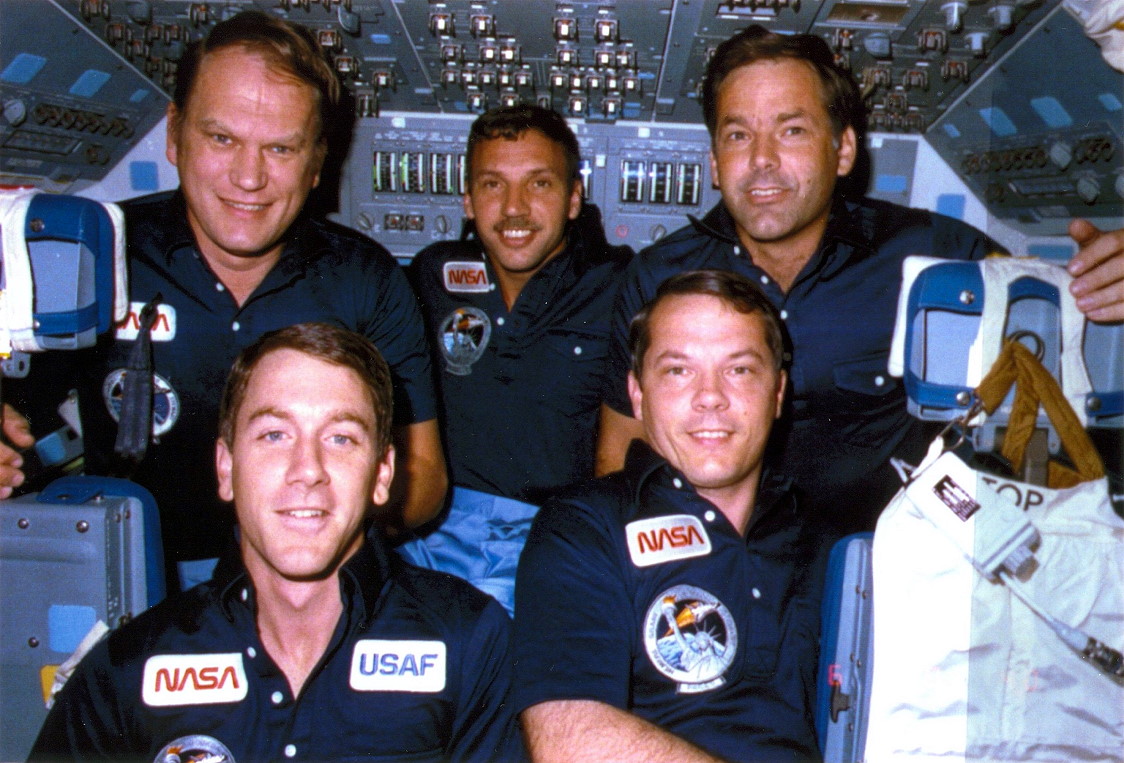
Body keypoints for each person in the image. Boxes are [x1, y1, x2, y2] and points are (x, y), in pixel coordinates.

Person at [596, 25, 1124, 534]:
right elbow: (621, 451)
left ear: (843, 150)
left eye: (792, 130)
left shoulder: (935, 254)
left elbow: (1055, 358)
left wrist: (1101, 292)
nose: (761, 159)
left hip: (894, 562)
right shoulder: (659, 278)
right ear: (714, 163)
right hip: (717, 564)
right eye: (738, 135)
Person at [6, 10, 446, 589]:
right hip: (131, 571)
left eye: (281, 149)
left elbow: (424, 478)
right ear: (174, 133)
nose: (248, 177)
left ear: (317, 163)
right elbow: (16, 410)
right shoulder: (102, 253)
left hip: (315, 572)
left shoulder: (367, 280)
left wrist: (321, 535)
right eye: (221, 138)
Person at [29, 323, 522, 762]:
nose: (307, 470)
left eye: (340, 438)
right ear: (226, 467)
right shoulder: (130, 667)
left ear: (382, 474)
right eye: (274, 435)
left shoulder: (469, 643)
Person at [514, 271, 832, 761]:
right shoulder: (583, 529)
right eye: (678, 370)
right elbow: (570, 741)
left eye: (740, 369)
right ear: (637, 394)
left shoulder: (829, 542)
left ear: (777, 393)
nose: (710, 396)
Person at [398, 105, 631, 613]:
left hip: (554, 542)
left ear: (574, 198)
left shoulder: (617, 289)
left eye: (539, 184)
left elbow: (623, 466)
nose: (514, 209)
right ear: (467, 199)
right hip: (432, 542)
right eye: (492, 185)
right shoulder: (432, 276)